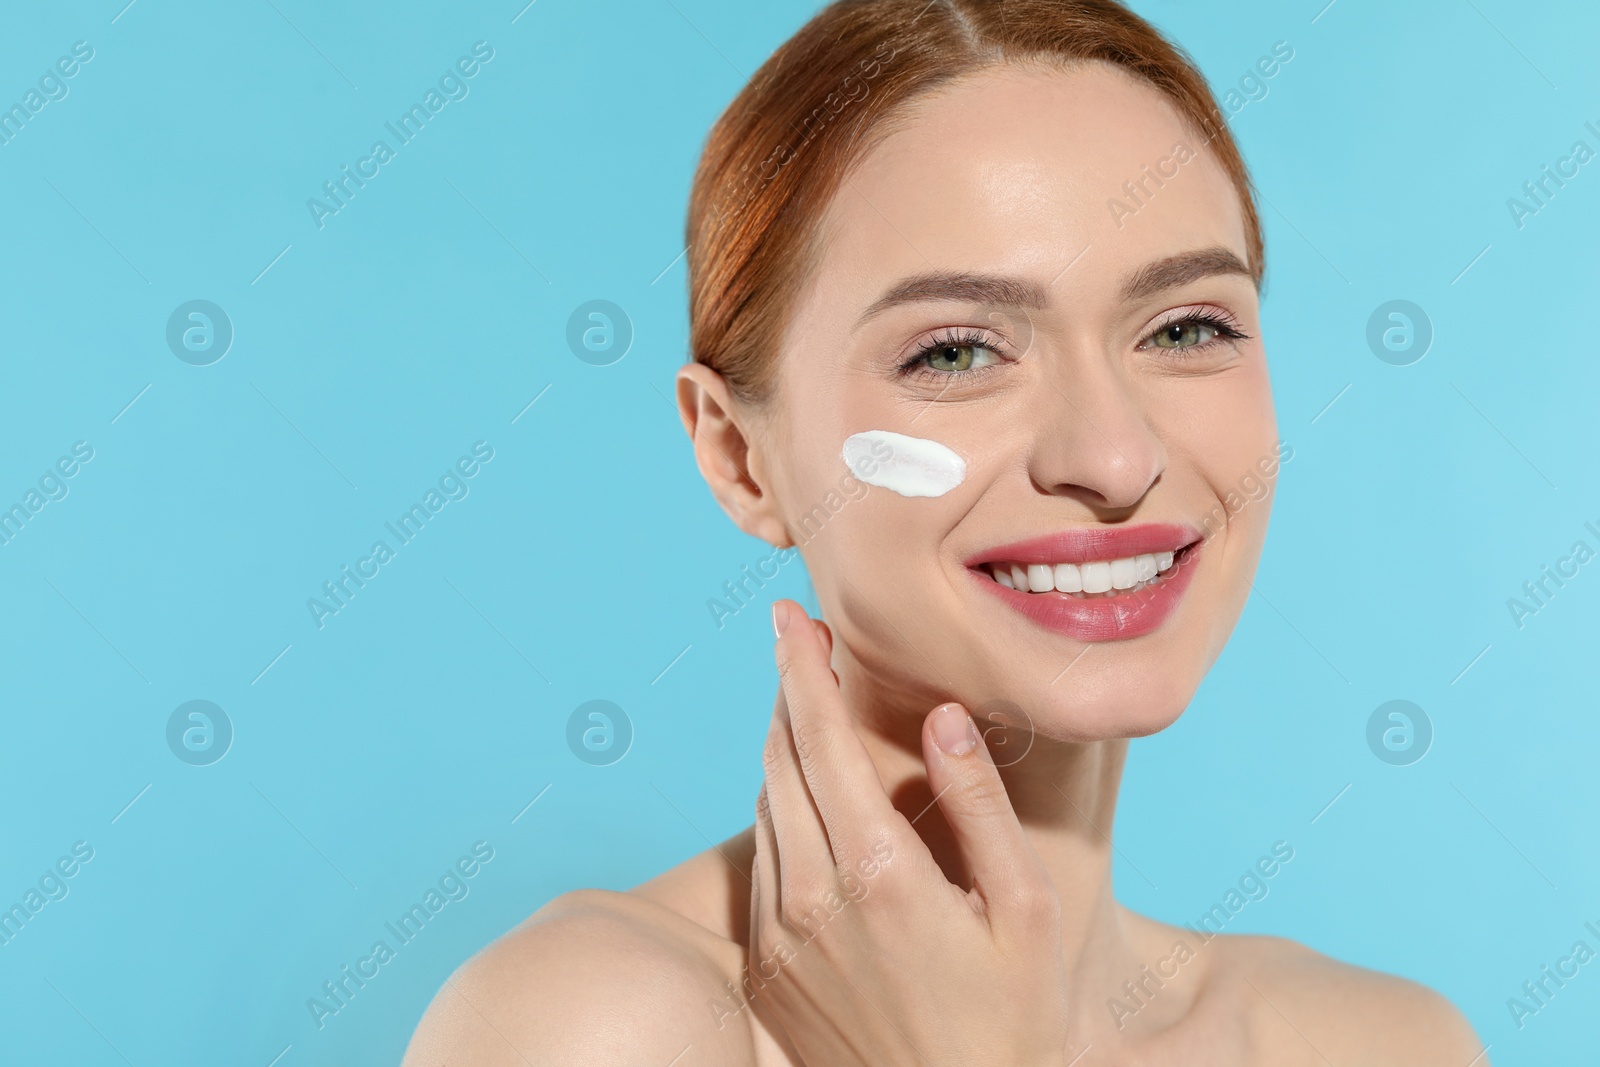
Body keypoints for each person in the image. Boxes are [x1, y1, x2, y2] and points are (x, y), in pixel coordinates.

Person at [404, 0, 1486, 1061]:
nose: (1112, 458)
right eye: (957, 352)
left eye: (1185, 325)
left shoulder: (1376, 1040)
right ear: (740, 458)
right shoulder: (593, 1025)